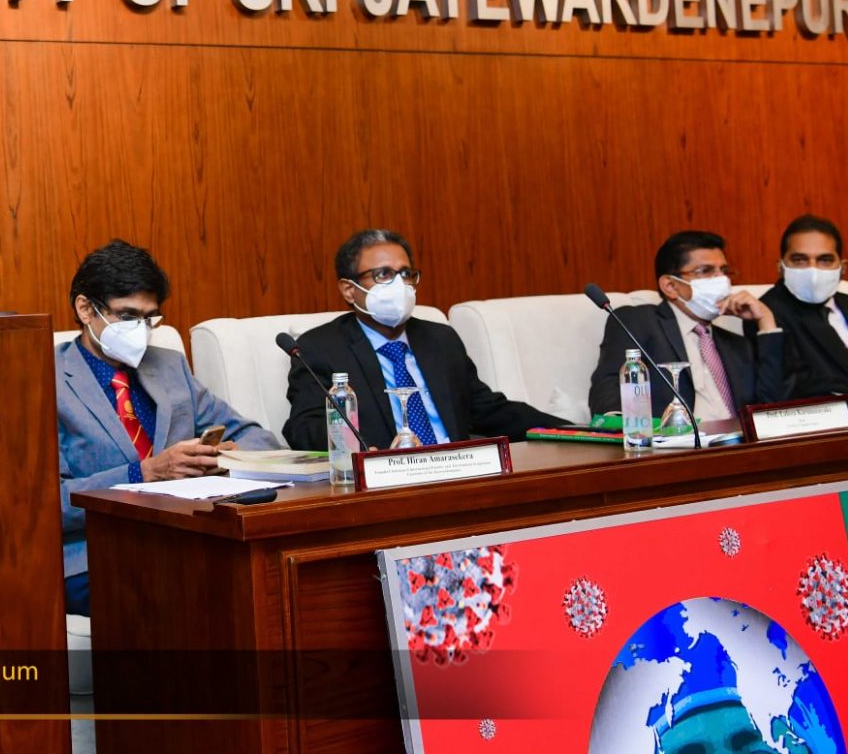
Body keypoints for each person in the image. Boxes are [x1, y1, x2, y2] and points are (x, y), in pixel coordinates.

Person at [57, 240, 279, 616]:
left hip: (186, 538)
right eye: (128, 317)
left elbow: (260, 438)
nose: (140, 331)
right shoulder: (46, 380)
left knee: (267, 576)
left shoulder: (169, 366)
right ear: (85, 308)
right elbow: (48, 505)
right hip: (94, 555)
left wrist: (226, 458)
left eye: (149, 319)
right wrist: (144, 474)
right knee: (192, 591)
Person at [283, 229, 562, 451]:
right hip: (384, 479)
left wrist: (574, 430)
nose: (399, 284)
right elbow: (303, 428)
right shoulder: (321, 348)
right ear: (348, 289)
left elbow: (489, 410)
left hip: (457, 471)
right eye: (383, 274)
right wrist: (358, 449)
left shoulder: (440, 339)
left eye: (406, 274)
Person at [588, 231, 786, 420]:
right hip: (678, 439)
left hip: (738, 440)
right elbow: (608, 394)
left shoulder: (737, 345)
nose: (721, 279)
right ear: (671, 286)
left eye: (724, 271)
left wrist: (766, 320)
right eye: (706, 271)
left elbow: (773, 408)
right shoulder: (637, 322)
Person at [760, 215, 848, 398]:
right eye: (799, 260)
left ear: (843, 268)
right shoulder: (768, 315)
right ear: (781, 266)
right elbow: (780, 393)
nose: (813, 270)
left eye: (825, 260)